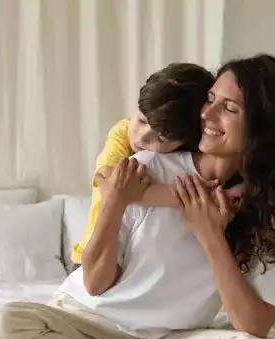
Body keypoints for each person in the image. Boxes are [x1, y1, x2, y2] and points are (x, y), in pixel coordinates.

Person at [0, 54, 275, 339]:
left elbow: (254, 326)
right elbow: (95, 283)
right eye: (210, 99)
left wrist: (209, 235)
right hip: (84, 318)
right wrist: (114, 202)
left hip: (166, 338)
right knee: (0, 329)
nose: (206, 114)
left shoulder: (267, 209)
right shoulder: (149, 168)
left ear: (264, 128)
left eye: (229, 108)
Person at [69, 62, 216, 266]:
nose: (142, 138)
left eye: (162, 139)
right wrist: (190, 194)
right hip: (92, 256)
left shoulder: (189, 156)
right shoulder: (122, 131)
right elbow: (108, 182)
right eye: (141, 120)